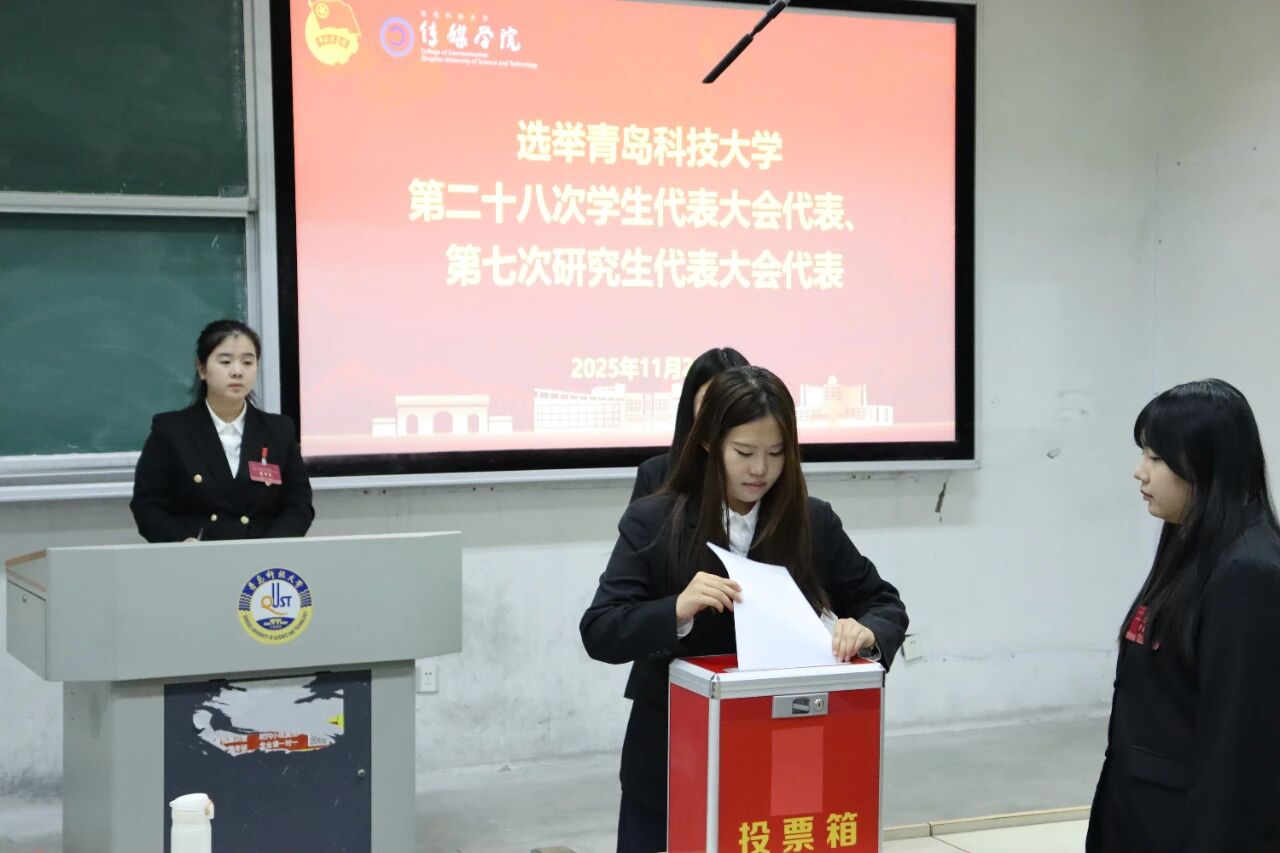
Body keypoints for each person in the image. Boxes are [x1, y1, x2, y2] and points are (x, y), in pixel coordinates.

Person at [581, 365, 908, 852]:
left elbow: (883, 602)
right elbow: (600, 629)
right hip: (674, 750)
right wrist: (676, 610)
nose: (760, 470)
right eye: (744, 452)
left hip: (779, 753)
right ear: (709, 443)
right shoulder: (654, 520)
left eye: (776, 453)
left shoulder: (811, 520)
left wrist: (867, 632)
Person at [1087, 379, 1280, 851]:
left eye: (1155, 458)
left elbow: (1239, 749)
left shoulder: (1248, 574)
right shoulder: (1189, 543)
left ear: (1202, 463)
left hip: (1187, 827)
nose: (1140, 472)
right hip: (1139, 815)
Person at [130, 319, 314, 542]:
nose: (237, 372)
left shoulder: (279, 430)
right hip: (198, 556)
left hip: (264, 558)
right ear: (202, 369)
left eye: (247, 362)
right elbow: (148, 505)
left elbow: (298, 504)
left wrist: (271, 547)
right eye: (225, 362)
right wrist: (181, 542)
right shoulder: (172, 431)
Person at [629, 347, 748, 503]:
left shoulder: (762, 472)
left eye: (731, 402)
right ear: (690, 404)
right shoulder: (654, 473)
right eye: (710, 401)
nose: (721, 413)